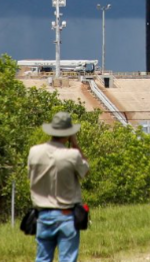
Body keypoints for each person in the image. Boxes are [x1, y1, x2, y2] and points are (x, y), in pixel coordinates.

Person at [28, 112, 90, 262]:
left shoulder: (34, 152)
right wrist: (75, 143)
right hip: (66, 214)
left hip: (42, 214)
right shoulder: (72, 155)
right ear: (68, 133)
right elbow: (85, 170)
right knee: (67, 259)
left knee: (42, 258)